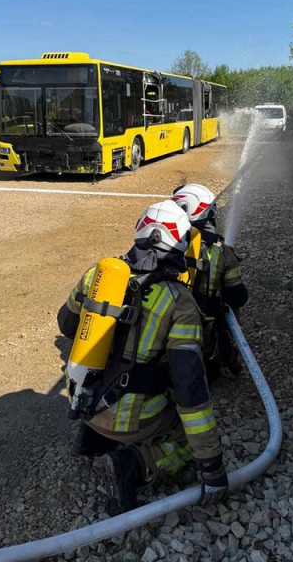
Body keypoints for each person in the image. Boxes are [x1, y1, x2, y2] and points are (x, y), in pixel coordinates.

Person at [57, 200, 228, 514]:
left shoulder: (99, 275)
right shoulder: (179, 301)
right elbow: (189, 387)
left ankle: (92, 438)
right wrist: (211, 463)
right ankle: (136, 464)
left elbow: (66, 326)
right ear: (179, 243)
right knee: (184, 441)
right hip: (132, 419)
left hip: (85, 402)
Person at [171, 183, 249, 380]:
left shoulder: (167, 245)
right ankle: (225, 358)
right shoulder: (221, 253)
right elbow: (238, 297)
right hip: (205, 331)